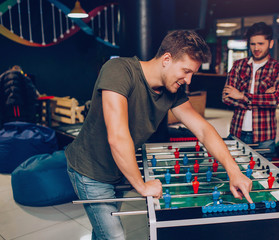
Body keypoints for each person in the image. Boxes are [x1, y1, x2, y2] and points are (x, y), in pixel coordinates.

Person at [65, 30, 253, 240]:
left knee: (101, 230)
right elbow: (117, 135)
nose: (189, 80)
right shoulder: (119, 69)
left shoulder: (173, 91)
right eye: (186, 70)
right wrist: (141, 185)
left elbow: (203, 130)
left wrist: (234, 171)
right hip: (90, 171)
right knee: (114, 237)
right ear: (166, 59)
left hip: (117, 169)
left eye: (193, 73)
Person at [222, 22, 279, 153]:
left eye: (261, 44)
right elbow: (226, 98)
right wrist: (263, 98)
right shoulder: (238, 65)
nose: (256, 48)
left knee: (262, 173)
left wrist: (241, 95)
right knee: (233, 172)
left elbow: (274, 100)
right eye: (253, 44)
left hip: (264, 137)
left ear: (271, 43)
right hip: (237, 132)